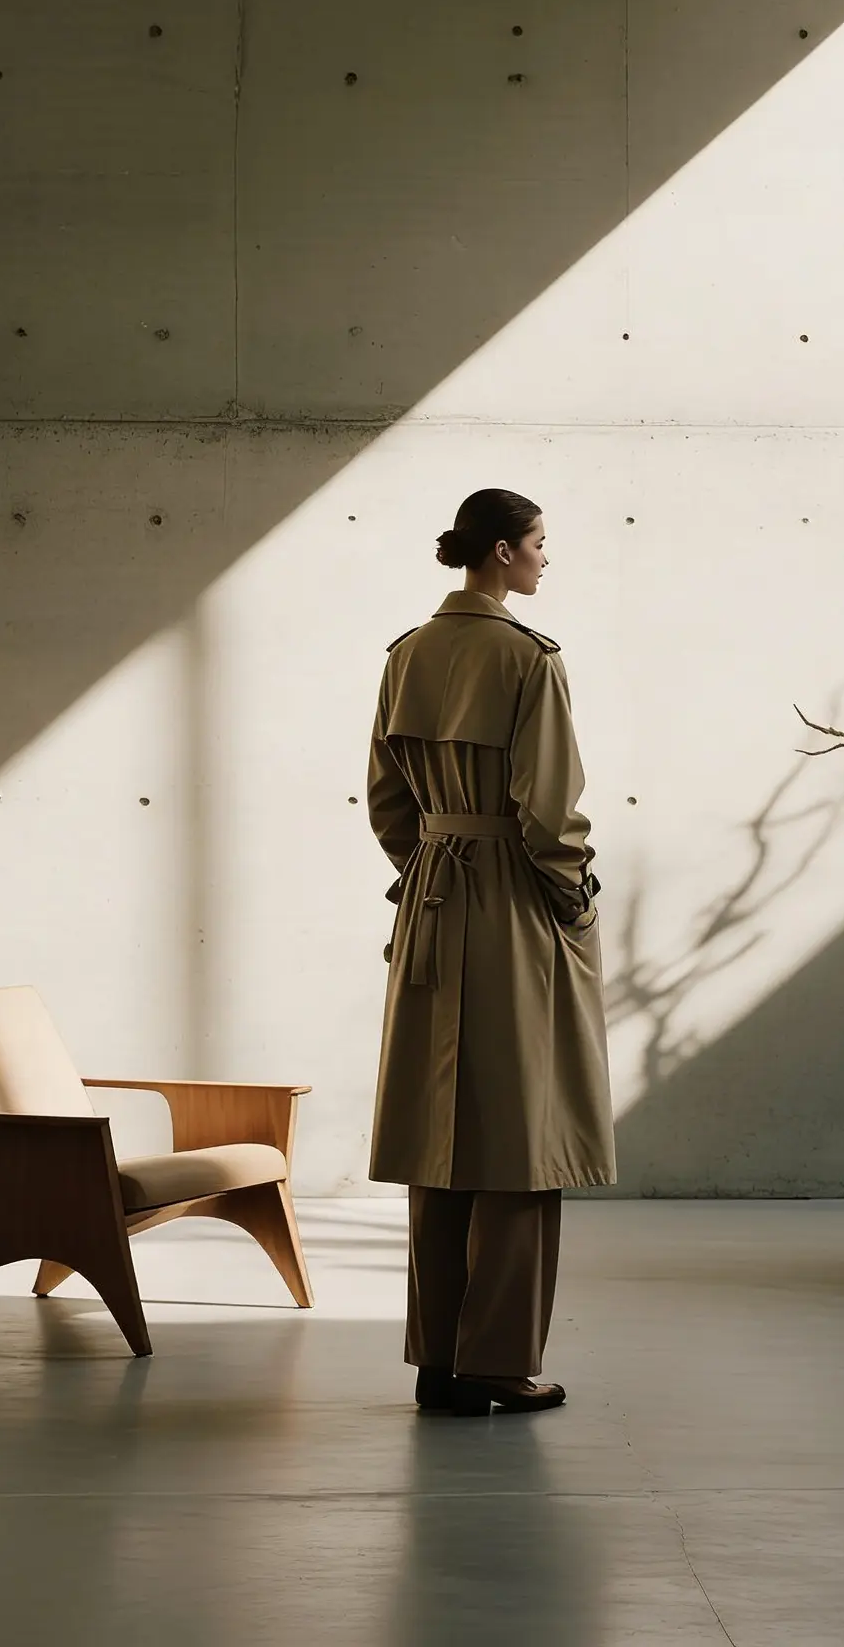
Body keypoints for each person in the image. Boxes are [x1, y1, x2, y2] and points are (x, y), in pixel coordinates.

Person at [366, 488, 615, 1417]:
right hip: (513, 903)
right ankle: (498, 1364)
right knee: (521, 1141)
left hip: (432, 903)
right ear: (504, 551)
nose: (547, 558)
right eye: (540, 543)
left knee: (440, 1140)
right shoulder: (528, 658)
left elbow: (388, 801)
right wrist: (573, 897)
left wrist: (433, 862)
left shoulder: (406, 654)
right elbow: (548, 810)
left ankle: (438, 1361)